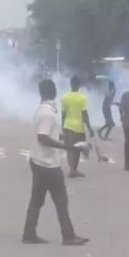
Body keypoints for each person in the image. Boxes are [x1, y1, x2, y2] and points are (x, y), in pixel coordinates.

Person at [22, 79, 90, 246]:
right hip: (48, 164)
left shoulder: (41, 110)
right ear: (54, 93)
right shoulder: (49, 114)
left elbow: (45, 134)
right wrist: (64, 146)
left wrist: (63, 138)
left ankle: (29, 233)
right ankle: (68, 236)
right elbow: (43, 137)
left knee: (36, 201)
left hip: (38, 161)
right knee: (61, 200)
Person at [61, 76, 94, 178]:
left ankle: (72, 170)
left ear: (71, 84)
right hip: (79, 128)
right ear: (79, 85)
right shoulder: (83, 97)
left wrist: (63, 127)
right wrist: (89, 128)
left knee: (70, 149)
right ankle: (73, 170)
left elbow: (63, 115)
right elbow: (85, 115)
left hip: (68, 126)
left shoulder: (64, 97)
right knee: (78, 149)